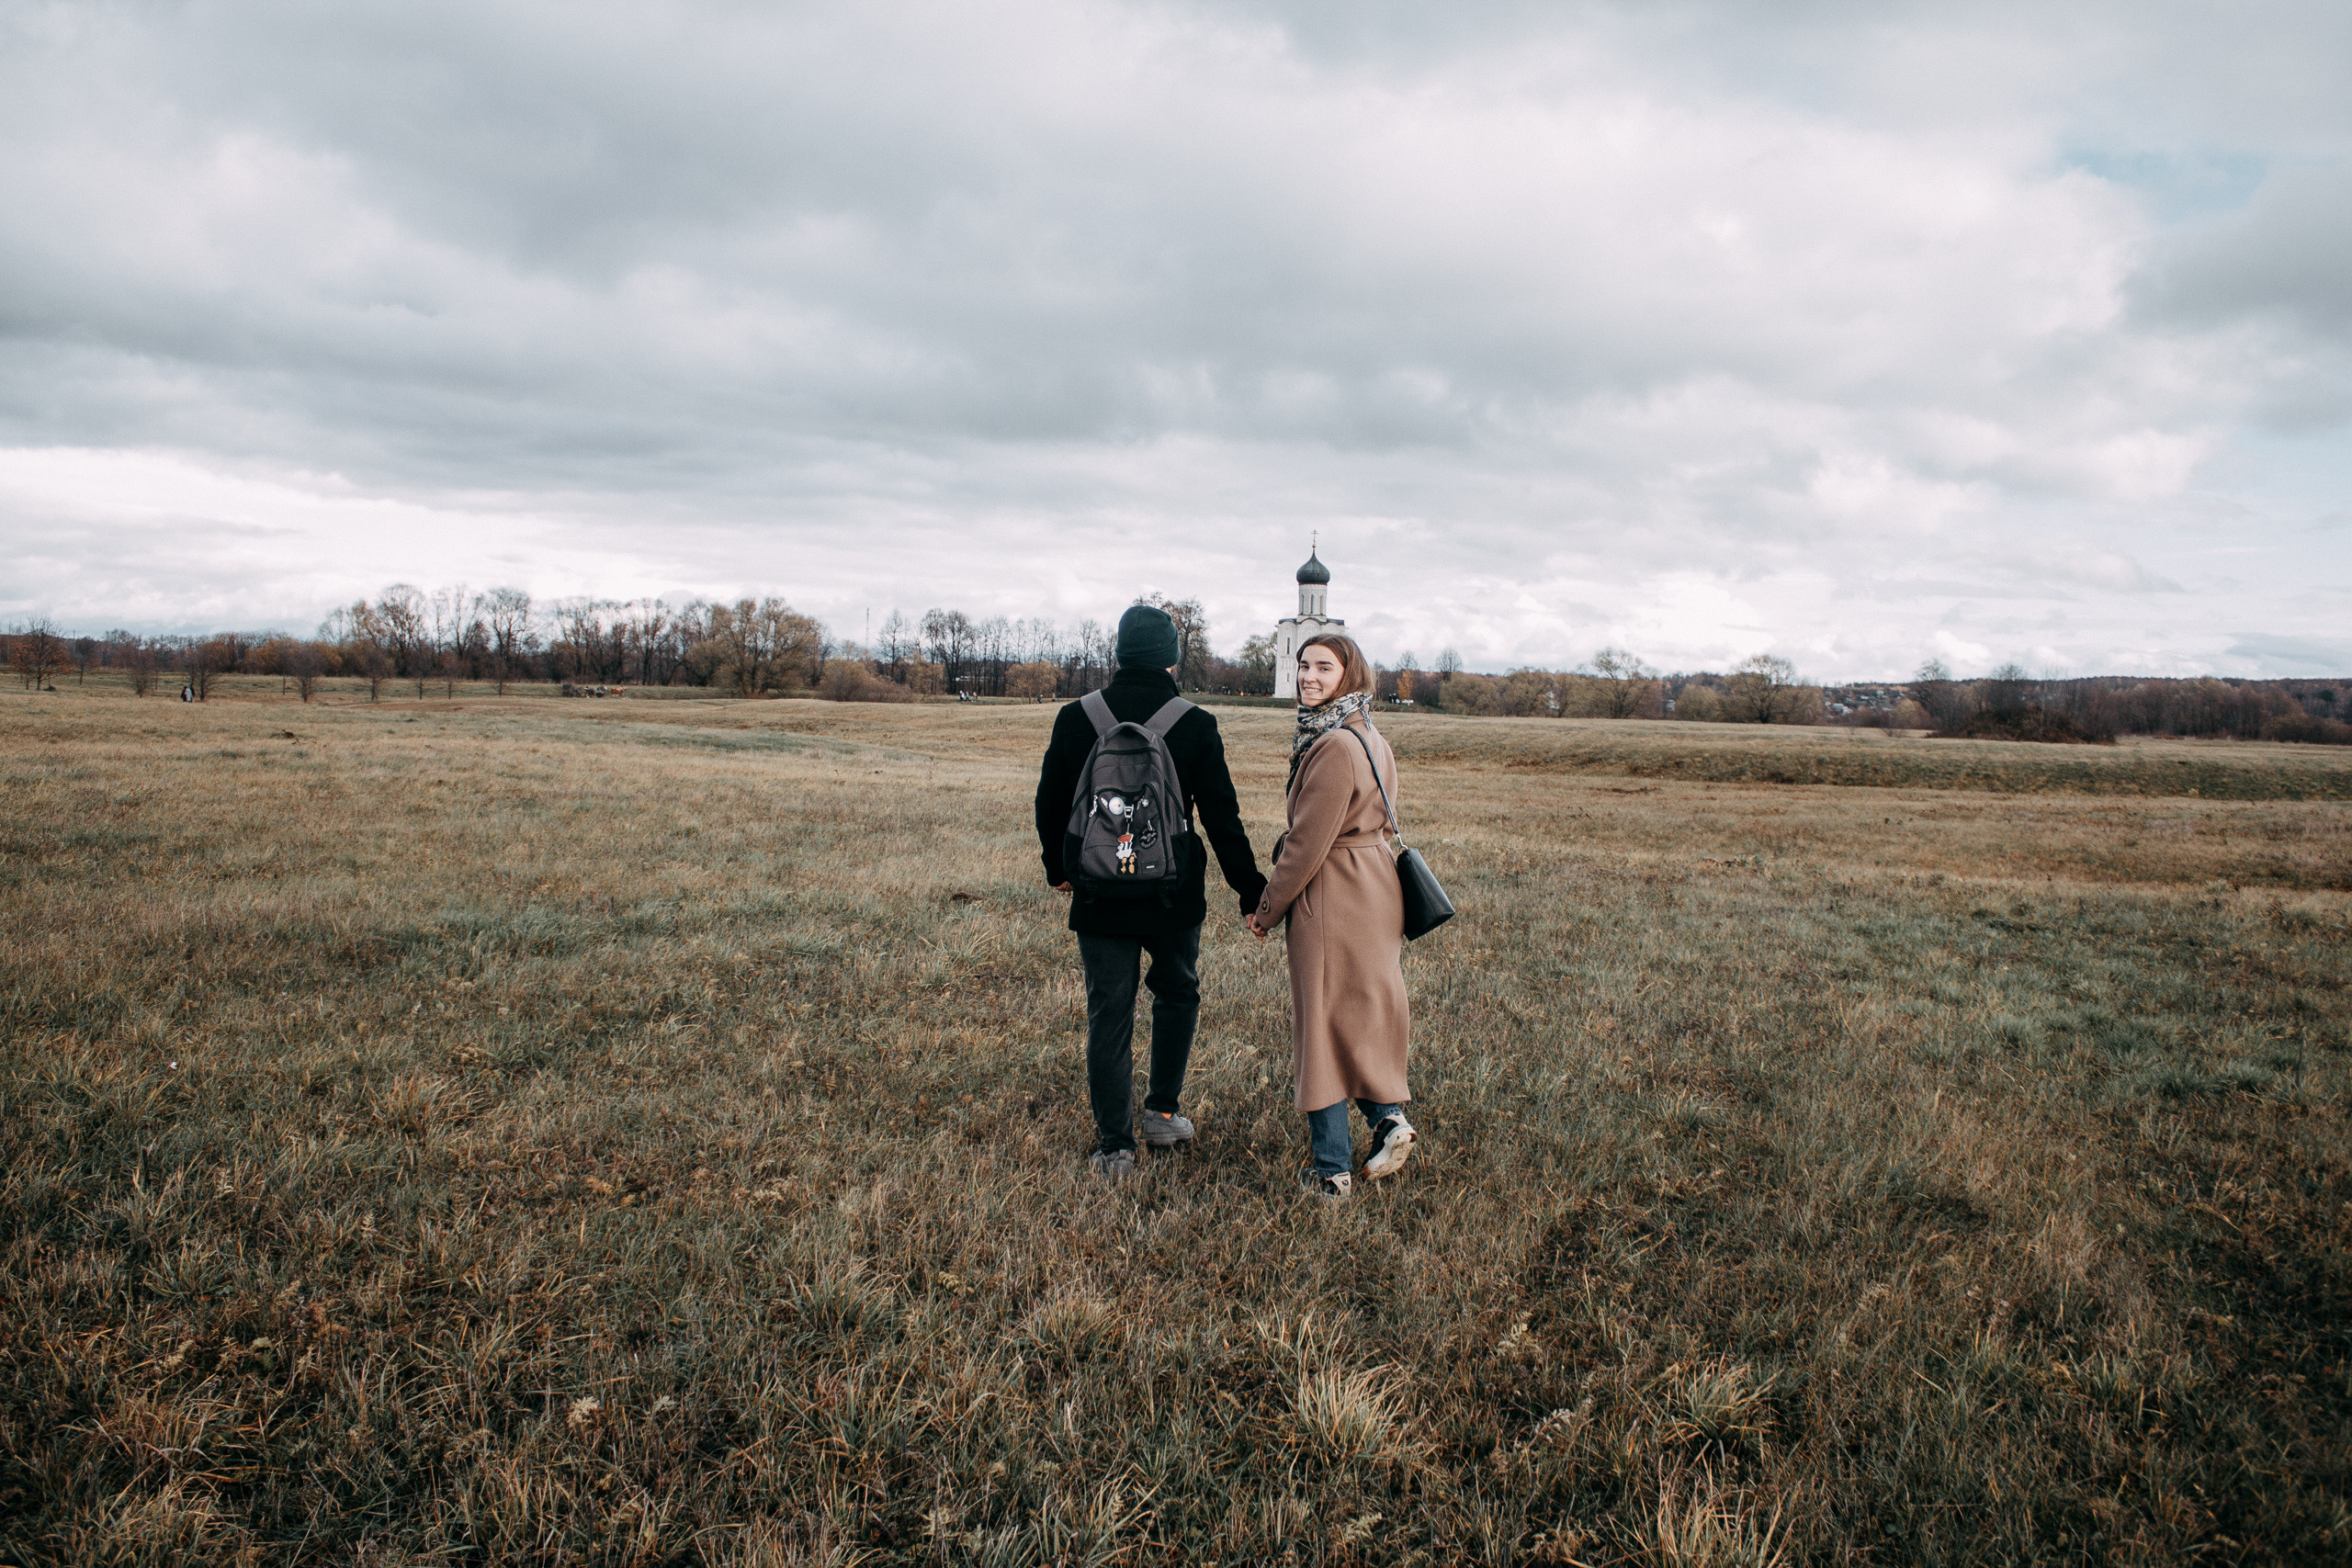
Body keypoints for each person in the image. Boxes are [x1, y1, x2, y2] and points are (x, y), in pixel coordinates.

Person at [1035, 604, 1268, 1182]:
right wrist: (1250, 889)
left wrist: (1057, 868)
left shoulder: (1075, 716)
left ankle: (1114, 1145)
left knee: (1108, 1013)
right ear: (1171, 658)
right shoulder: (1194, 722)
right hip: (1173, 894)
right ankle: (1163, 1113)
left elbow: (1049, 802)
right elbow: (1222, 817)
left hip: (1098, 891)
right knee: (1176, 994)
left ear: (1118, 653)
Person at [1247, 633, 1416, 1201]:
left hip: (1334, 890)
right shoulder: (1370, 736)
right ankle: (1389, 1122)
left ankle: (1331, 1172)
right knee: (1359, 1014)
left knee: (1319, 1024)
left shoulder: (1334, 747)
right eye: (1303, 666)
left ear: (1350, 674)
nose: (1309, 677)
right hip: (1375, 885)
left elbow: (1305, 845)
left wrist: (1268, 910)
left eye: (1324, 667)